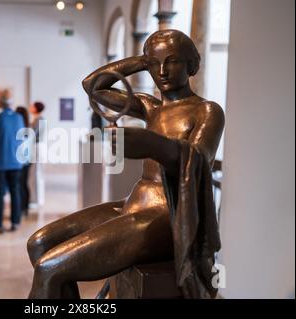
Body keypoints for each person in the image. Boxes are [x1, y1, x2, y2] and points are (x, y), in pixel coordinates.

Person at [27, 30, 225, 299]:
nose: (162, 71)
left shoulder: (207, 110)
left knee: (49, 268)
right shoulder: (150, 107)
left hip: (168, 213)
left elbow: (199, 158)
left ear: (191, 64)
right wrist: (142, 61)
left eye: (172, 61)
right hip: (135, 203)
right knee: (39, 244)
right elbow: (93, 86)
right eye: (156, 64)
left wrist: (153, 144)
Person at [0, 97, 24, 233]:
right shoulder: (19, 117)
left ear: (0, 104)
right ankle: (15, 222)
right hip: (16, 161)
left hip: (0, 161)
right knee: (15, 191)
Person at [15, 106, 30, 216]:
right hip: (27, 160)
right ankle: (25, 207)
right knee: (24, 184)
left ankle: (21, 208)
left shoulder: (21, 129)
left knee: (20, 185)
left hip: (21, 161)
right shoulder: (27, 128)